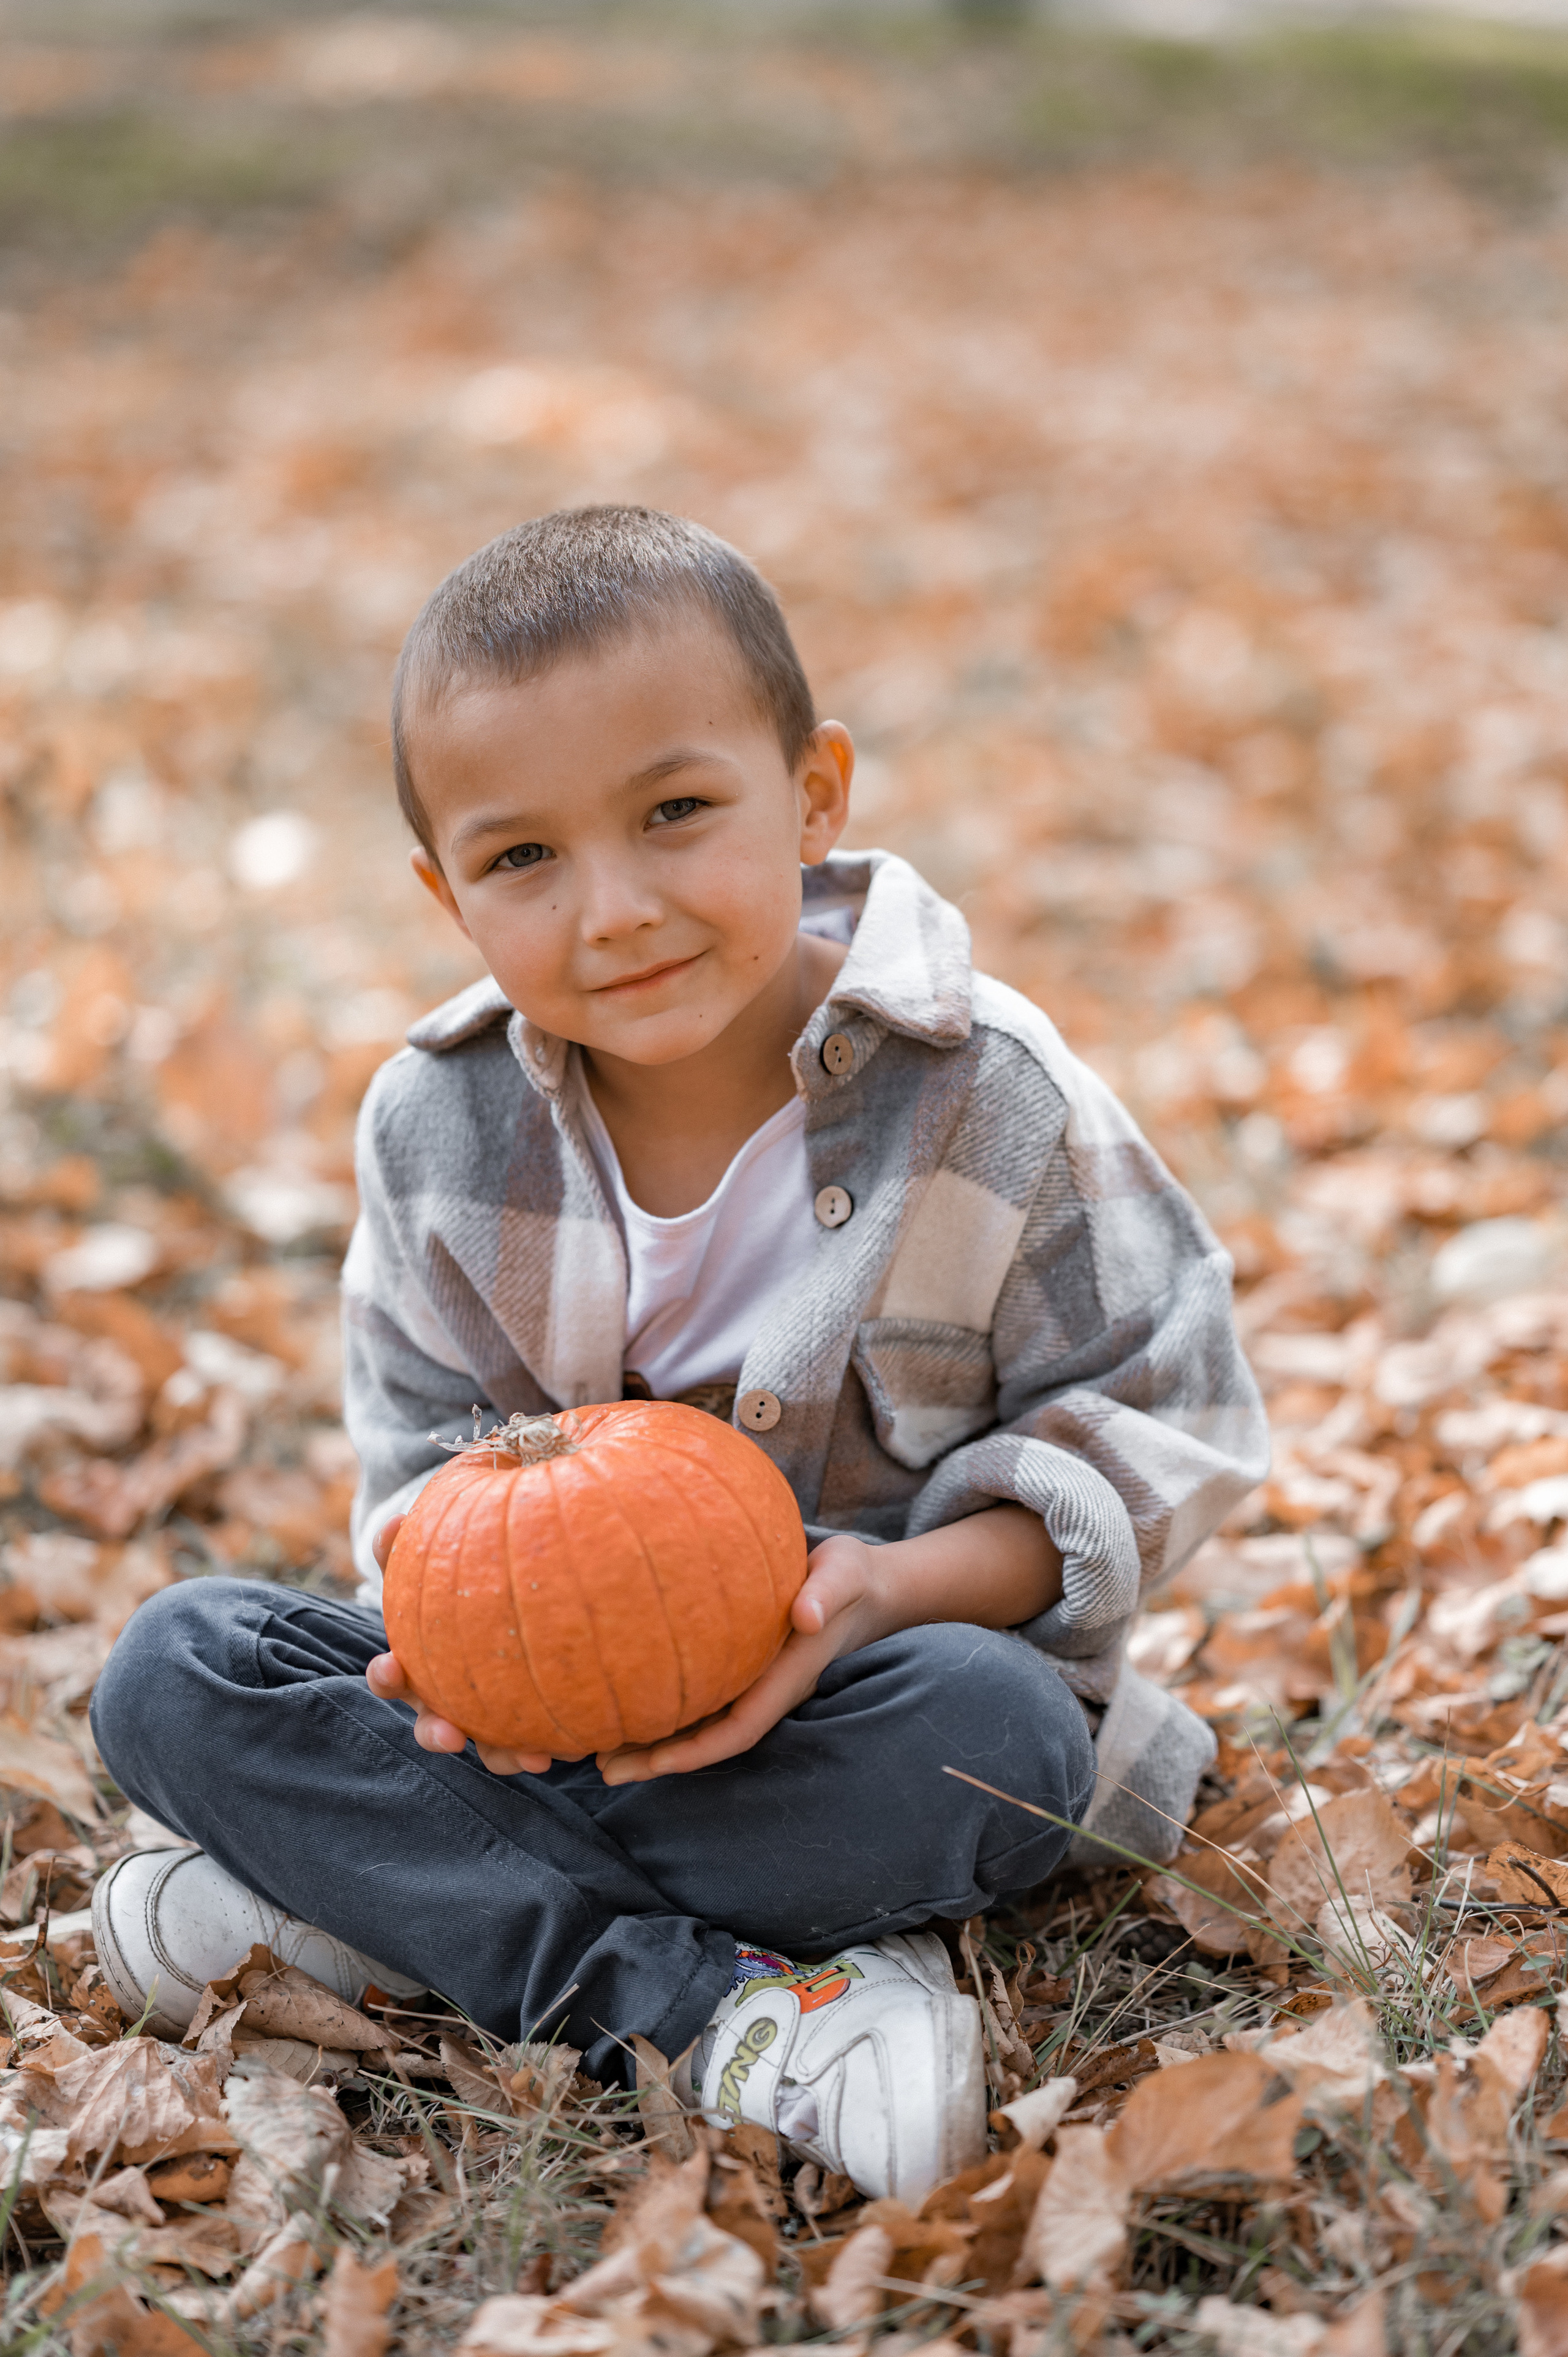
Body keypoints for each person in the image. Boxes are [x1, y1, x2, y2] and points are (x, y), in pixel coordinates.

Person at [91, 507, 1268, 2206]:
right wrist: (474, 1667)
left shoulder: (985, 1093)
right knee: (174, 1667)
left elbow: (1164, 1411)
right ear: (447, 898)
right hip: (549, 1721)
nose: (617, 908)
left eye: (675, 814)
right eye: (524, 858)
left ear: (814, 793)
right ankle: (732, 2011)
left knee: (1003, 1736)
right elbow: (424, 1473)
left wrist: (889, 1588)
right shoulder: (438, 1129)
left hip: (867, 1694)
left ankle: (371, 1908)